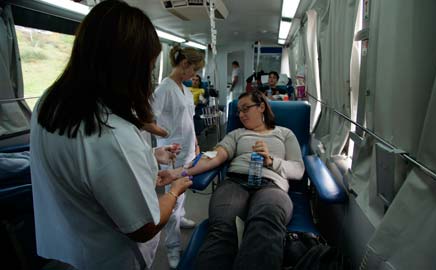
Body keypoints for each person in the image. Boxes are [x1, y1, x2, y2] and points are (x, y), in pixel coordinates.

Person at [29, 1, 192, 269]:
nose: (148, 78)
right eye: (148, 68)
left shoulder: (50, 103)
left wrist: (148, 158)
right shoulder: (110, 132)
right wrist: (173, 192)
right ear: (128, 67)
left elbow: (85, 168)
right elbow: (143, 227)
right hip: (109, 258)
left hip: (67, 249)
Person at [175, 90, 305, 270]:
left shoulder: (284, 134)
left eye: (246, 109)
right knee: (222, 227)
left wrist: (271, 161)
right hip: (235, 183)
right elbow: (215, 157)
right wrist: (177, 173)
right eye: (238, 111)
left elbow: (298, 170)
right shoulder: (237, 134)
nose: (241, 115)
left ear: (261, 107)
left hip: (272, 186)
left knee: (265, 223)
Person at [151, 45, 205, 268]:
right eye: (194, 69)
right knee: (171, 199)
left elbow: (188, 120)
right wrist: (166, 135)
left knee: (183, 190)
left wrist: (195, 141)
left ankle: (181, 216)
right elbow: (150, 121)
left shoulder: (183, 87)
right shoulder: (165, 88)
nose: (195, 75)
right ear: (184, 64)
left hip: (188, 149)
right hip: (172, 152)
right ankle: (173, 247)